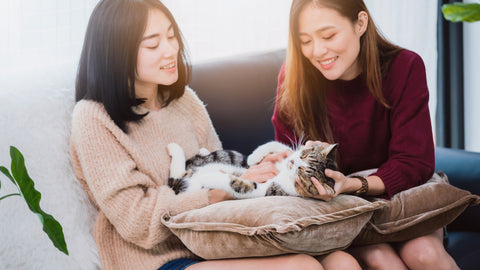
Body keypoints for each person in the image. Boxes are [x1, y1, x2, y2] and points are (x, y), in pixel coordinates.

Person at [71, 0, 360, 269]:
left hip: (218, 241)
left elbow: (222, 171)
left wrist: (261, 170)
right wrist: (219, 193)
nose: (170, 50)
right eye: (153, 44)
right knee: (302, 267)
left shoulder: (185, 101)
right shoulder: (93, 117)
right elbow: (137, 219)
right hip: (159, 259)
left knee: (341, 261)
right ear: (118, 52)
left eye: (171, 37)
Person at [271, 0, 459, 269]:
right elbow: (285, 158)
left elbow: (414, 162)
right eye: (305, 41)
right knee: (381, 259)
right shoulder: (293, 78)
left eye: (328, 36)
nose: (318, 51)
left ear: (361, 23)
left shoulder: (405, 67)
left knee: (424, 254)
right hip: (341, 210)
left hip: (400, 197)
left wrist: (355, 184)